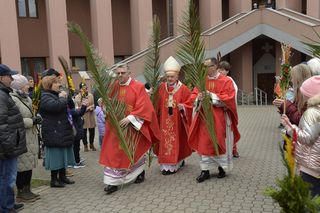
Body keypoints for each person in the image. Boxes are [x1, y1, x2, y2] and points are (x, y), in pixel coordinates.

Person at [99, 63, 160, 195]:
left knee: (132, 152)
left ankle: (140, 172)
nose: (120, 75)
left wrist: (131, 118)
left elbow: (145, 106)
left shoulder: (138, 87)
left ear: (129, 73)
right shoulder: (113, 86)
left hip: (131, 127)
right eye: (118, 73)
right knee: (113, 153)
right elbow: (106, 103)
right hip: (115, 128)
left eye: (123, 73)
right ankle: (112, 182)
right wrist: (104, 105)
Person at [188, 58, 240, 183]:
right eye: (204, 66)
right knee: (204, 143)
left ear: (216, 66)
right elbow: (193, 95)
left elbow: (230, 98)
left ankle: (221, 168)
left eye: (208, 66)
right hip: (204, 118)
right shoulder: (202, 81)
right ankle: (204, 171)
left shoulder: (226, 81)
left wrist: (211, 96)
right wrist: (198, 98)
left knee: (218, 142)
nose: (205, 69)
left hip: (219, 117)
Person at [281, 76, 320, 197]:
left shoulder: (312, 112)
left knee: (310, 200)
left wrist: (289, 127)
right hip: (316, 163)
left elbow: (307, 138)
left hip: (310, 165)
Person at [155, 56, 192, 175]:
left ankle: (177, 162)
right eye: (168, 77)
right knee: (164, 142)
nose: (169, 79)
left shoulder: (184, 89)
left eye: (172, 77)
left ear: (177, 76)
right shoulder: (161, 88)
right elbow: (156, 104)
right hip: (163, 122)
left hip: (178, 123)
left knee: (177, 141)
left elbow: (190, 104)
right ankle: (166, 165)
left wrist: (184, 107)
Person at [39, 69, 75, 188]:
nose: (59, 84)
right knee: (56, 156)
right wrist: (62, 98)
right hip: (53, 131)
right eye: (56, 83)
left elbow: (71, 106)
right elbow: (55, 107)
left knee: (63, 154)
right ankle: (54, 180)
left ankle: (62, 177)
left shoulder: (57, 94)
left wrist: (67, 97)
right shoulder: (45, 96)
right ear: (49, 85)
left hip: (62, 129)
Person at [10, 74, 41, 203]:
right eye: (26, 84)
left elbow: (32, 112)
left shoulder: (27, 98)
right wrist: (31, 121)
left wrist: (37, 117)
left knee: (29, 164)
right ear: (19, 86)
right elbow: (13, 120)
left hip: (31, 136)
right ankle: (21, 192)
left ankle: (28, 189)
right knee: (22, 166)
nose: (28, 86)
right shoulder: (13, 99)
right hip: (21, 136)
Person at [0, 64, 27, 212]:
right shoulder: (1, 95)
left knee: (7, 177)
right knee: (7, 178)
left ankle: (8, 202)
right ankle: (6, 207)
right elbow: (1, 124)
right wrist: (9, 146)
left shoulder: (4, 93)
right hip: (6, 147)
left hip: (8, 144)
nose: (11, 78)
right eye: (9, 76)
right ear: (1, 78)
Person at [218, 61, 240, 158]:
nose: (221, 71)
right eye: (220, 69)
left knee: (230, 130)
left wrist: (225, 103)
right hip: (218, 111)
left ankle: (234, 150)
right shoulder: (217, 80)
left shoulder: (229, 80)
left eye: (223, 70)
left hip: (228, 110)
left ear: (227, 71)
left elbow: (233, 94)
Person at [75, 83, 96, 152]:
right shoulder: (78, 97)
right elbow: (78, 108)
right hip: (83, 116)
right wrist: (87, 108)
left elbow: (93, 104)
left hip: (90, 116)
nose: (85, 89)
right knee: (83, 132)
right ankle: (85, 145)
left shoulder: (90, 95)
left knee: (92, 131)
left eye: (86, 88)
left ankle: (91, 144)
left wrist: (92, 107)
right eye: (83, 88)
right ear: (80, 89)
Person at [69, 96, 88, 168]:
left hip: (76, 131)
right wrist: (84, 105)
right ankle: (76, 162)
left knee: (76, 147)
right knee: (75, 147)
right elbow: (80, 113)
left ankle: (77, 159)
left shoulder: (72, 110)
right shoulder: (72, 111)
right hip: (75, 132)